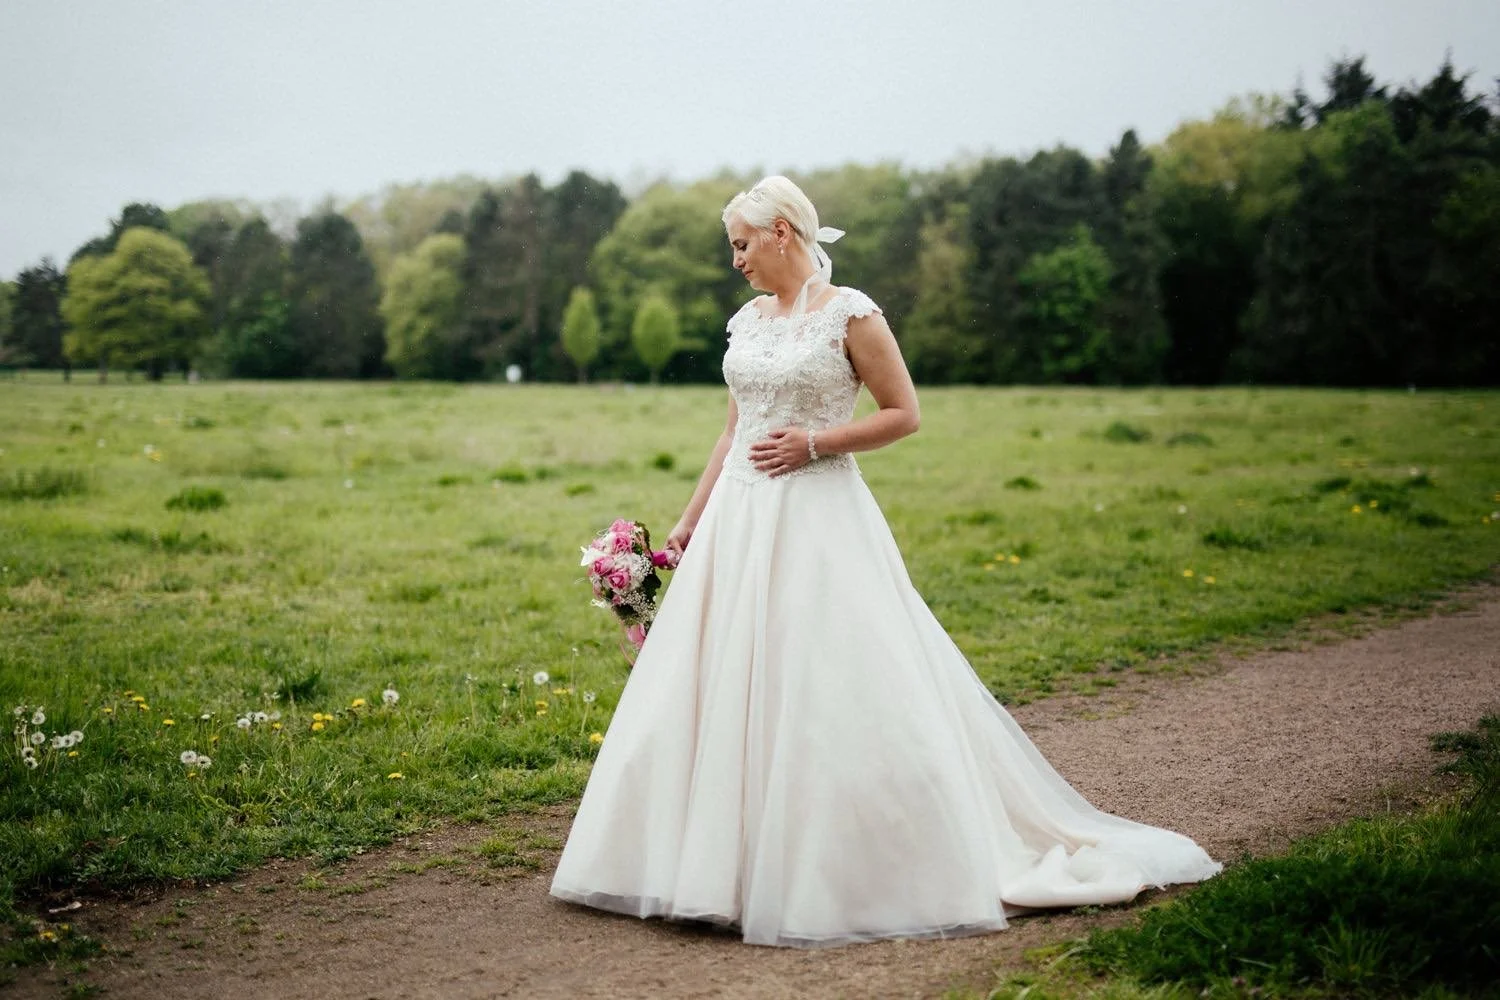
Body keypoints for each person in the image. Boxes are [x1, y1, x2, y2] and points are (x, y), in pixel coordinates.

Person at [550, 176, 1220, 948]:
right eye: (731, 246)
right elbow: (732, 432)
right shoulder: (747, 321)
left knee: (822, 678)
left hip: (818, 517)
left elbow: (905, 414)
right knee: (720, 678)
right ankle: (707, 864)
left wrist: (815, 443)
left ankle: (833, 862)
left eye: (742, 243)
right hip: (739, 517)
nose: (735, 260)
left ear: (781, 233)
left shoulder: (852, 314)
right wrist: (688, 523)